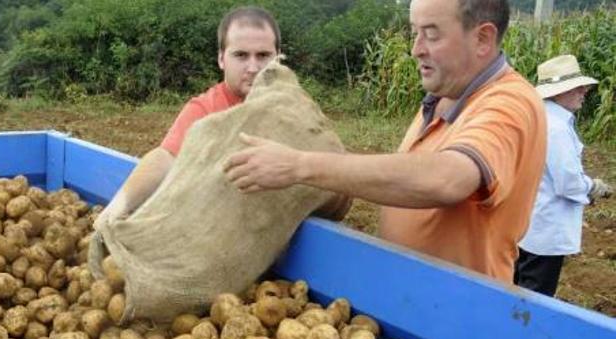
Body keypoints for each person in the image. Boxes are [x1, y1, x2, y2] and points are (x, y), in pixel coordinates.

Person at [224, 0, 547, 283]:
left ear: (482, 38)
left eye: (431, 34)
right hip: (411, 297)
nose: (416, 48)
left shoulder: (510, 102)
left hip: (460, 313)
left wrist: (299, 165)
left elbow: (447, 179)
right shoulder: (443, 97)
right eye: (414, 32)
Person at [94, 6, 280, 228]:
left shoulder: (296, 111)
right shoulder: (206, 109)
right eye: (240, 55)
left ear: (278, 58)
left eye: (263, 55)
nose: (253, 67)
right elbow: (166, 158)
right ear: (222, 59)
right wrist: (118, 206)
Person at [514, 54, 612, 296]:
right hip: (546, 231)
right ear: (558, 92)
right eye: (576, 88)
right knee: (536, 299)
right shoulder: (557, 129)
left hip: (529, 222)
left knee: (516, 289)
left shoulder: (541, 118)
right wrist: (591, 186)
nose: (584, 91)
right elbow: (568, 183)